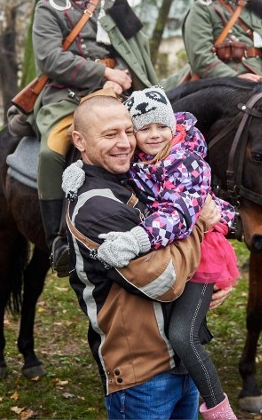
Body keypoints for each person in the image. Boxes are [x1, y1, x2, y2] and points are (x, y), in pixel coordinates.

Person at [62, 91, 222, 419]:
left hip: (180, 360)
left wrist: (210, 280)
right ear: (80, 140)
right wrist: (200, 224)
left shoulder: (138, 177)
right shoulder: (96, 206)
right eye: (109, 135)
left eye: (127, 131)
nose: (125, 143)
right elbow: (167, 280)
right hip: (144, 375)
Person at [29, 0, 159, 276]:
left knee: (149, 142)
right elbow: (51, 58)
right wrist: (104, 72)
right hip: (65, 98)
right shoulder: (49, 6)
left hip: (113, 95)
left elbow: (137, 54)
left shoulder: (116, 8)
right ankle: (57, 237)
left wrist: (120, 80)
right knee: (52, 150)